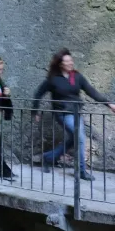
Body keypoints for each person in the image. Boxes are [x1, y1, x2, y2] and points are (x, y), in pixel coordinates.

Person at [32, 48, 115, 181]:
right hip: (62, 113)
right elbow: (38, 94)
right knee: (80, 138)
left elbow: (92, 92)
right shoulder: (53, 79)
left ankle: (48, 158)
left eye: (71, 60)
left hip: (76, 112)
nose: (71, 63)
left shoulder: (77, 76)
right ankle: (81, 171)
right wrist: (35, 111)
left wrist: (109, 104)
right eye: (67, 61)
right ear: (60, 64)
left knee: (75, 139)